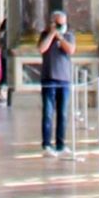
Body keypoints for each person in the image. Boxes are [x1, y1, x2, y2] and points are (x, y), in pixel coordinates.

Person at [37, 10, 76, 155]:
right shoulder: (44, 35)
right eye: (58, 23)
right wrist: (52, 34)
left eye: (63, 23)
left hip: (64, 79)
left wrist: (60, 36)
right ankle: (46, 144)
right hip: (49, 79)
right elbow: (42, 48)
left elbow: (71, 50)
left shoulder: (69, 35)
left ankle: (61, 144)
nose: (61, 26)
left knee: (63, 113)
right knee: (48, 113)